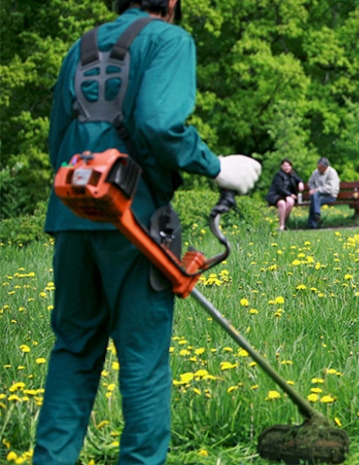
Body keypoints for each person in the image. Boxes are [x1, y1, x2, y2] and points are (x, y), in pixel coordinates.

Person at [35, 1, 261, 464]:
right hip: (131, 219)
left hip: (73, 212)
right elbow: (158, 123)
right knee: (142, 361)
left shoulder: (82, 46)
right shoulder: (168, 39)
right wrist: (217, 167)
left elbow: (58, 140)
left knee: (73, 351)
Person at [266, 158, 305, 231]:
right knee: (282, 203)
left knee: (291, 202)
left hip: (286, 195)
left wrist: (300, 183)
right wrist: (290, 194)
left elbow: (299, 179)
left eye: (288, 166)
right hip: (276, 195)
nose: (287, 168)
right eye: (285, 166)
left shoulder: (292, 175)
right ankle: (281, 225)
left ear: (291, 167)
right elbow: (279, 188)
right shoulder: (278, 175)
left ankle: (281, 221)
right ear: (281, 167)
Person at [306, 156, 340, 229]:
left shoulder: (332, 172)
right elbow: (310, 183)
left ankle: (312, 225)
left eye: (320, 167)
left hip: (330, 195)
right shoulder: (315, 172)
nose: (318, 169)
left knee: (314, 200)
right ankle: (317, 214)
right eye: (318, 167)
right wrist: (313, 189)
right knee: (314, 197)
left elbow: (331, 188)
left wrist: (317, 190)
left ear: (326, 167)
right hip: (318, 195)